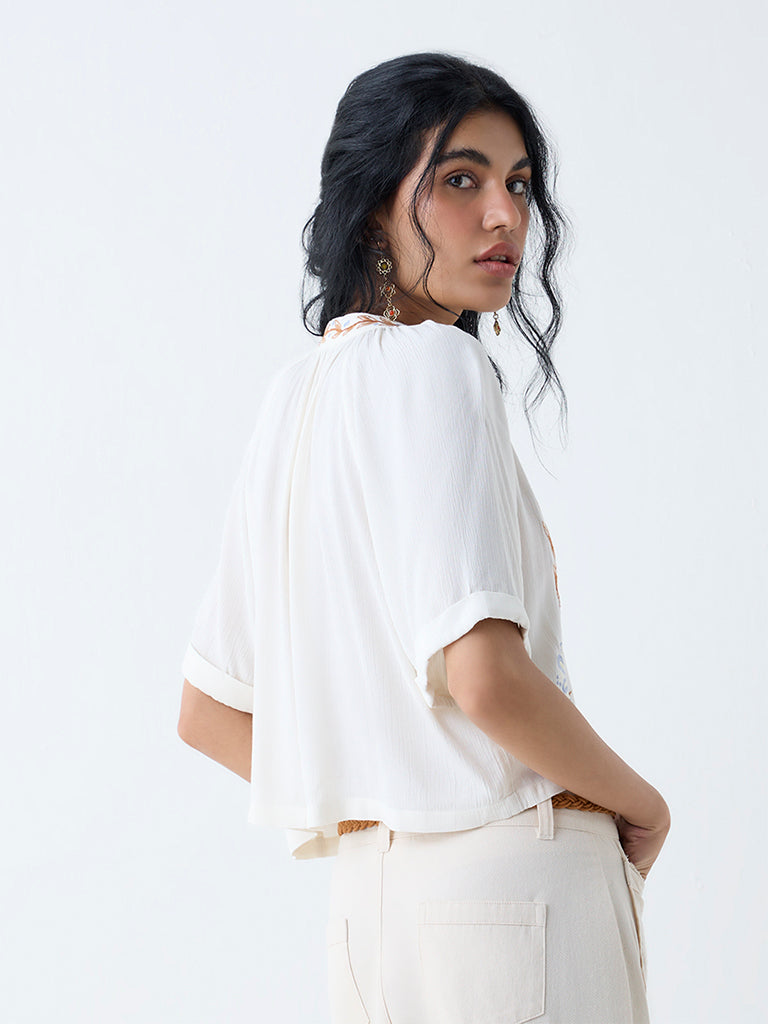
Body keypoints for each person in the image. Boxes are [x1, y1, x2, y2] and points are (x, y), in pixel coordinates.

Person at [177, 51, 671, 1024]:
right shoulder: (440, 365)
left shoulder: (294, 397)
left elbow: (208, 712)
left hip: (370, 914)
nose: (503, 215)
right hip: (519, 893)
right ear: (373, 207)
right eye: (460, 180)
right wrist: (640, 804)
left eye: (517, 184)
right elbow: (483, 675)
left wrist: (393, 791)